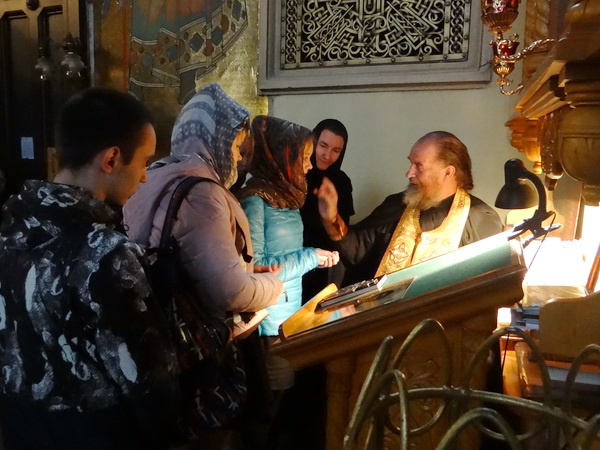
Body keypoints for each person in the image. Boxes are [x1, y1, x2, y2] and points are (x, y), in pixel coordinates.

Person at [0, 88, 181, 449]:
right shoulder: (105, 253)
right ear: (111, 159)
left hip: (20, 431)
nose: (144, 177)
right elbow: (149, 383)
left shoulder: (10, 230)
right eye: (144, 161)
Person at [123, 83, 284, 448]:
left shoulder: (156, 174)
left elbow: (192, 260)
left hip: (159, 338)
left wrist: (241, 270)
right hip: (200, 347)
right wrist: (274, 287)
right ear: (216, 140)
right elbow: (229, 291)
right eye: (235, 147)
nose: (238, 158)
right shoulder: (203, 193)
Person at [237, 115, 339, 448]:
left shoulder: (287, 197)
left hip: (289, 317)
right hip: (268, 322)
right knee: (268, 411)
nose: (309, 165)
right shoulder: (255, 200)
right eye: (304, 157)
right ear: (281, 155)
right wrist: (312, 257)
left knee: (284, 408)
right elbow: (257, 269)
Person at [317, 130, 503, 283]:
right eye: (410, 163)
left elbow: (487, 286)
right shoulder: (396, 205)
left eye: (419, 166)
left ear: (448, 172)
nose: (409, 173)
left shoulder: (479, 218)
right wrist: (331, 217)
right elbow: (357, 250)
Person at [301, 119, 354, 303]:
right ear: (313, 142)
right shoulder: (296, 175)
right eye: (323, 146)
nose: (327, 155)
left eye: (336, 150)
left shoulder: (342, 182)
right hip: (295, 261)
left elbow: (344, 232)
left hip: (329, 264)